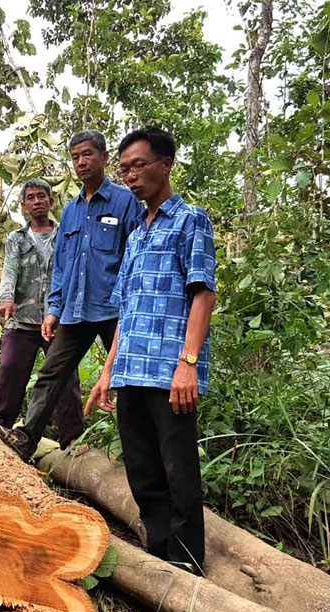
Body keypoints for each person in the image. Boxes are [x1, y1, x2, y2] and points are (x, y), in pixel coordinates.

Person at [84, 127, 217, 575]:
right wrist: (106, 373)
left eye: (138, 165)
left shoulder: (189, 220)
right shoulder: (136, 234)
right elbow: (127, 312)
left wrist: (188, 364)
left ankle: (188, 564)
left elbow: (203, 294)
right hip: (130, 372)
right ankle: (161, 556)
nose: (131, 176)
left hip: (169, 373)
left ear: (166, 164)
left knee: (178, 469)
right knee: (142, 470)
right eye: (124, 170)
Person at [0, 130, 142, 460]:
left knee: (127, 381)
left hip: (113, 308)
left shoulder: (125, 202)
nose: (81, 162)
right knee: (51, 375)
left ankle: (135, 451)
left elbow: (135, 255)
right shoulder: (71, 212)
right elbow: (63, 266)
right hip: (75, 310)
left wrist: (129, 300)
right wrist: (54, 308)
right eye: (74, 157)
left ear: (104, 157)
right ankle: (26, 441)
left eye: (87, 154)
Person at [0, 179, 84, 447]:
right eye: (30, 197)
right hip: (23, 318)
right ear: (23, 205)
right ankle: (1, 424)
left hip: (59, 319)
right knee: (10, 370)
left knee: (65, 378)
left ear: (50, 201)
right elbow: (9, 271)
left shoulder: (65, 235)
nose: (36, 201)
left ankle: (72, 438)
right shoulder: (16, 239)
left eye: (41, 196)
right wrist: (6, 298)